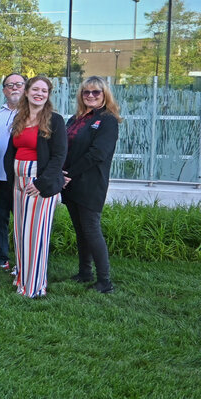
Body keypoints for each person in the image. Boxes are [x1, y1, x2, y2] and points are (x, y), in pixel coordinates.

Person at [5, 76, 67, 298]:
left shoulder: (54, 120)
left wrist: (41, 183)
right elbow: (12, 150)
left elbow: (59, 155)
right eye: (35, 89)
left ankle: (34, 287)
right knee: (21, 233)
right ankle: (21, 276)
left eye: (44, 90)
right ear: (27, 92)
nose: (39, 93)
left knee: (35, 235)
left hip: (38, 183)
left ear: (48, 95)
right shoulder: (20, 118)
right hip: (18, 181)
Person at [63, 76, 121, 294]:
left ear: (104, 95)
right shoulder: (75, 119)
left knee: (91, 230)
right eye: (86, 92)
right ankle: (84, 272)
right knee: (80, 231)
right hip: (70, 183)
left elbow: (98, 153)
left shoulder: (108, 120)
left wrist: (69, 174)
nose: (90, 96)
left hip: (90, 183)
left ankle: (105, 281)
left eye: (96, 92)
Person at [0, 73, 26, 272]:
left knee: (21, 222)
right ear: (4, 90)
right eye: (9, 85)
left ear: (25, 88)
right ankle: (0, 258)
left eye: (18, 84)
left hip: (20, 177)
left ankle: (22, 262)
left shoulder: (32, 115)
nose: (14, 88)